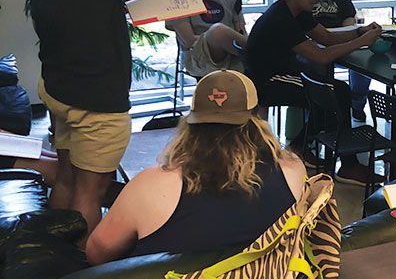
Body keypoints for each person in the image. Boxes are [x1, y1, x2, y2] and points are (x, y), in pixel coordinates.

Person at [28, 0, 257, 237]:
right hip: (95, 101)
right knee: (92, 190)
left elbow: (61, 16)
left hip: (60, 90)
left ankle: (57, 258)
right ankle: (87, 276)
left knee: (68, 179)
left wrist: (107, 10)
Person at [85, 70, 305, 264]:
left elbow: (97, 254)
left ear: (190, 125)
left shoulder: (148, 185)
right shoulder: (293, 171)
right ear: (257, 121)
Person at [245, 0, 381, 185]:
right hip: (268, 81)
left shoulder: (297, 13)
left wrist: (359, 31)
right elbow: (320, 56)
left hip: (283, 73)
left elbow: (326, 38)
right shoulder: (282, 18)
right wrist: (360, 42)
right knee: (330, 94)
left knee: (336, 91)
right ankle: (344, 163)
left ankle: (305, 150)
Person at [299, 0, 372, 121]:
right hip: (312, 44)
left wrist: (348, 34)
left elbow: (348, 16)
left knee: (363, 61)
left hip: (339, 40)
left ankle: (357, 104)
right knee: (316, 62)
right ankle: (320, 111)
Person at [165, 0, 249, 78]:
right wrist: (217, 39)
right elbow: (189, 40)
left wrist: (225, 42)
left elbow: (241, 33)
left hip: (232, 54)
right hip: (198, 56)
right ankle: (259, 54)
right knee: (217, 31)